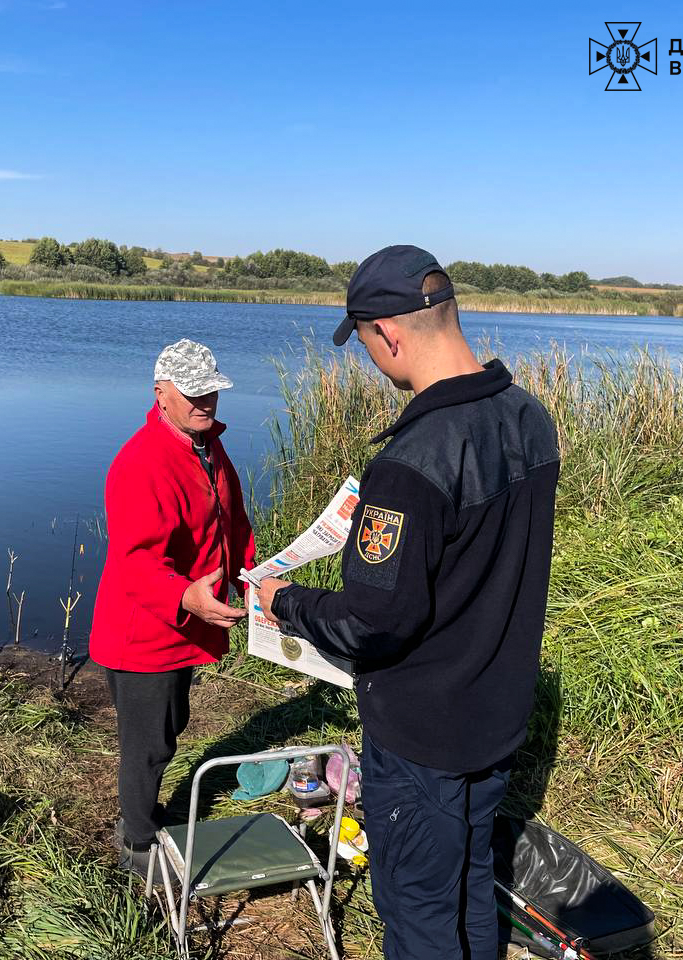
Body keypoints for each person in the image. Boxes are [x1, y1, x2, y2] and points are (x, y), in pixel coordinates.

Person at [257, 245, 560, 960]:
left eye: (363, 343)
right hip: (496, 713)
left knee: (419, 908)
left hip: (424, 731)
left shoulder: (409, 463)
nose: (370, 359)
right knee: (468, 887)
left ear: (387, 333)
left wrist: (285, 602)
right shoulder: (528, 417)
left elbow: (374, 624)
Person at [91, 338, 256, 877]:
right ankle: (136, 846)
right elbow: (135, 563)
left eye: (211, 390)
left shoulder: (208, 446)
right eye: (192, 392)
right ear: (160, 393)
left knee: (171, 724)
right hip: (143, 632)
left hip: (185, 626)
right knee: (148, 746)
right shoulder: (140, 462)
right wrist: (187, 596)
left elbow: (231, 525)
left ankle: (144, 815)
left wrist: (252, 579)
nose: (205, 401)